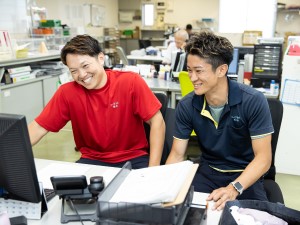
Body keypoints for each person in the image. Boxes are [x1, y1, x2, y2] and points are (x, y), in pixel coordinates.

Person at [166, 31, 273, 210]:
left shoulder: (253, 100)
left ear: (222, 70)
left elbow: (263, 158)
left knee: (253, 219)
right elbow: (177, 155)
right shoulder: (187, 105)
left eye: (199, 71)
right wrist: (161, 185)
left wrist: (234, 188)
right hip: (208, 173)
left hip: (245, 176)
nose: (192, 78)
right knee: (183, 213)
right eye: (189, 71)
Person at [28, 34, 165, 169]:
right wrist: (10, 153)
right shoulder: (67, 93)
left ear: (100, 58)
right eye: (74, 71)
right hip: (92, 160)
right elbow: (38, 128)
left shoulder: (130, 82)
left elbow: (157, 121)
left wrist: (153, 169)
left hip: (133, 158)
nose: (81, 75)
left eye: (86, 66)